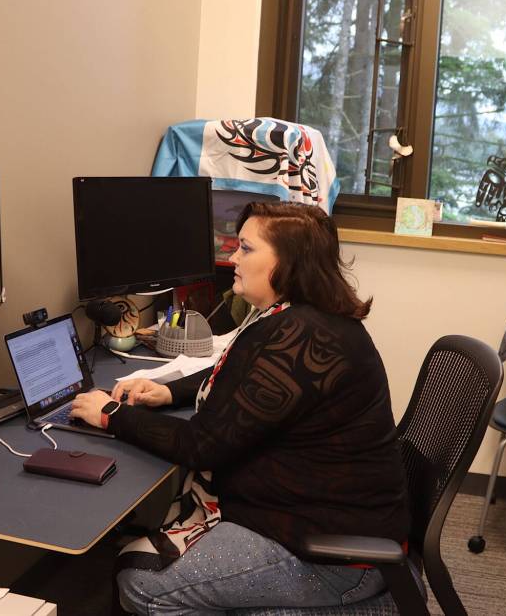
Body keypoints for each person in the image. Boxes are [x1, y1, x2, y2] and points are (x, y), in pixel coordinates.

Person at [70, 202, 410, 614]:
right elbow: (247, 377)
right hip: (315, 515)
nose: (232, 257)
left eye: (246, 249)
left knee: (142, 586)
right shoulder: (298, 317)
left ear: (288, 263)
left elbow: (203, 445)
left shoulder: (302, 337)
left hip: (330, 557)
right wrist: (168, 393)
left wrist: (112, 415)